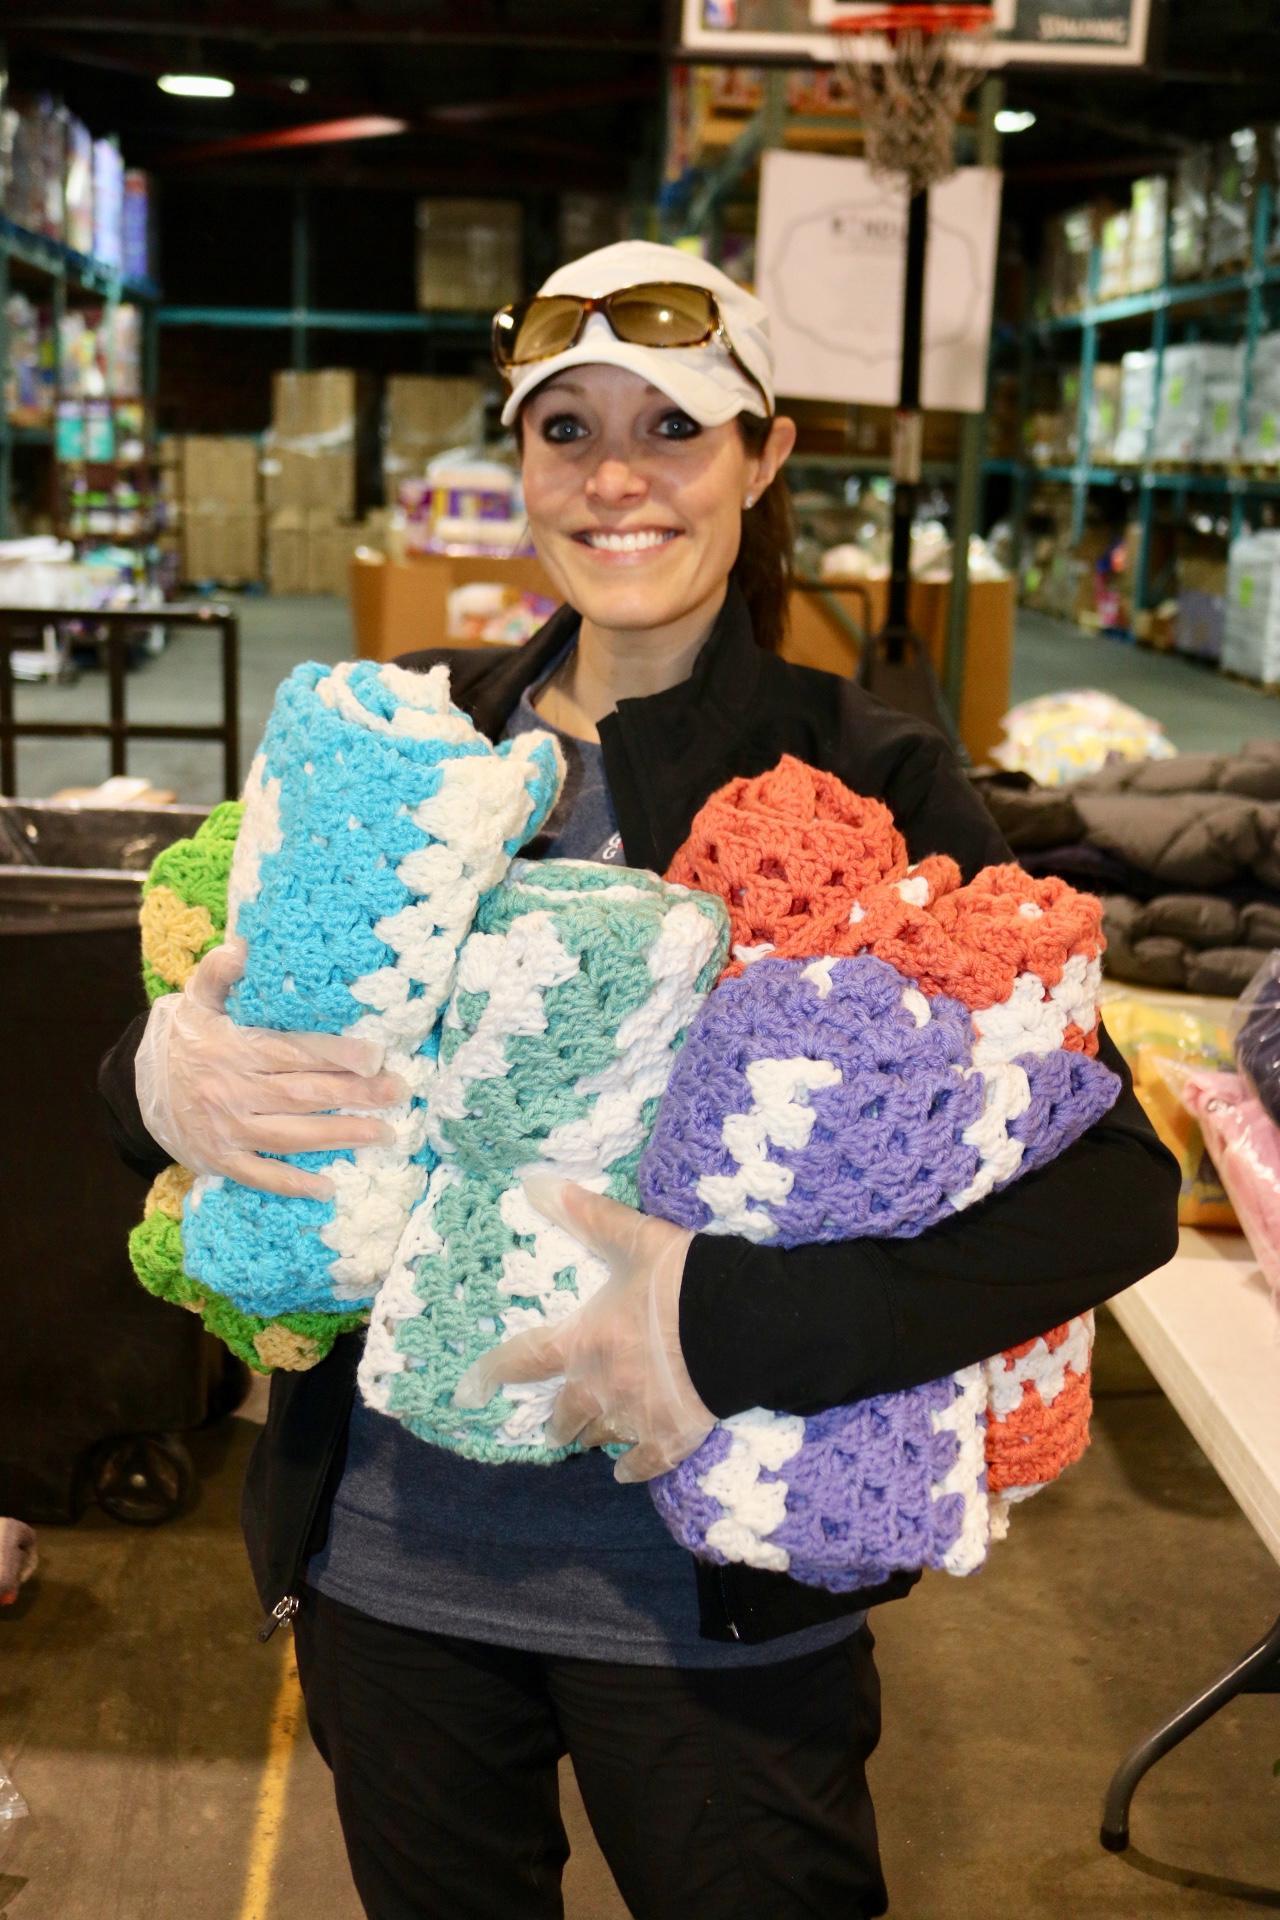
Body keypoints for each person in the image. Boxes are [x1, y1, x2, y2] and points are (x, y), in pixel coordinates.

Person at [100, 240, 1180, 1920]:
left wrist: (719, 1327)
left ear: (763, 459)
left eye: (674, 428)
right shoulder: (411, 742)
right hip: (393, 1570)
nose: (614, 479)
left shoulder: (868, 778)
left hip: (712, 1602)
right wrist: (158, 1075)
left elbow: (1107, 1187)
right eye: (565, 429)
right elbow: (221, 1028)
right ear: (515, 458)